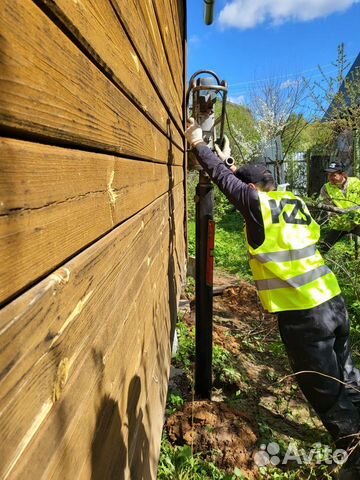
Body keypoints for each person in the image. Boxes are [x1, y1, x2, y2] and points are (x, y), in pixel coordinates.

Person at [185, 119, 360, 479]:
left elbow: (226, 181)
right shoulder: (291, 199)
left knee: (323, 385)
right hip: (332, 300)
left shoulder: (257, 205)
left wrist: (198, 144)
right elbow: (239, 180)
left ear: (252, 188)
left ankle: (353, 445)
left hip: (303, 314)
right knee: (346, 373)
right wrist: (230, 164)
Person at [318, 162, 360, 253]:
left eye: (334, 175)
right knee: (324, 247)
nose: (330, 178)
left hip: (358, 220)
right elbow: (328, 207)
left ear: (343, 174)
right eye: (329, 175)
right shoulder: (325, 188)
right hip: (340, 223)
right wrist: (339, 216)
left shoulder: (356, 182)